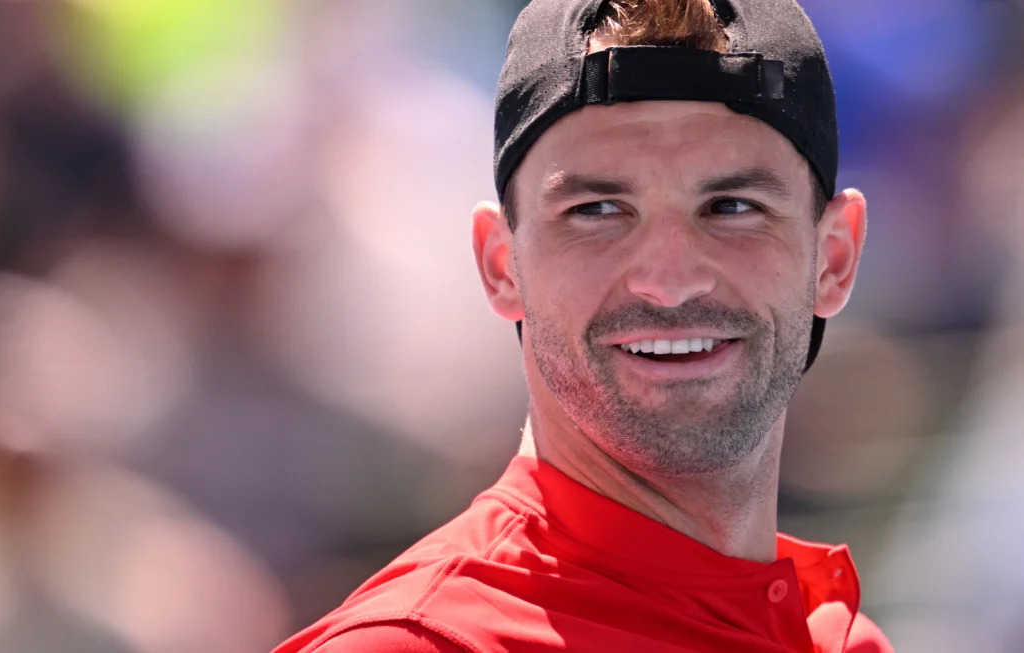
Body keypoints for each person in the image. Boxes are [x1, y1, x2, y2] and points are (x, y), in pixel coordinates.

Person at [273, 0, 893, 650]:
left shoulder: (841, 640)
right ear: (500, 264)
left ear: (834, 257)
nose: (669, 279)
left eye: (731, 206)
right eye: (597, 209)